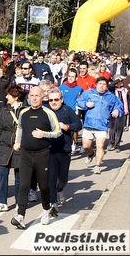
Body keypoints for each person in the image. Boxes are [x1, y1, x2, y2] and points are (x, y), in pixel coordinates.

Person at [11, 86, 62, 229]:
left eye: (37, 96)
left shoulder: (48, 113)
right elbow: (20, 128)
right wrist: (18, 141)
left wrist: (43, 134)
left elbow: (57, 132)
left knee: (43, 186)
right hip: (26, 154)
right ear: (28, 97)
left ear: (42, 97)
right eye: (32, 95)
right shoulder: (24, 113)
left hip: (42, 154)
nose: (34, 98)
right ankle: (20, 215)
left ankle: (46, 209)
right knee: (24, 185)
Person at [47, 88, 82, 217]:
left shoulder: (68, 110)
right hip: (49, 150)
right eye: (51, 100)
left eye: (56, 99)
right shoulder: (46, 111)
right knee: (51, 177)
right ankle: (53, 202)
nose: (53, 102)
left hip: (64, 150)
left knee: (63, 178)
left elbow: (78, 125)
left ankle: (60, 189)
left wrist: (67, 127)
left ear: (61, 100)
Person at [77, 77, 123, 175]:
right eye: (100, 83)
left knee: (100, 145)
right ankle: (91, 154)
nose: (102, 86)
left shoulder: (111, 96)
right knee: (86, 146)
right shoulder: (89, 93)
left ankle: (97, 166)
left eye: (104, 84)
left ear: (107, 86)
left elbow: (119, 105)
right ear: (96, 84)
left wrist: (117, 111)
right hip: (89, 123)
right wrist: (86, 104)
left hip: (102, 125)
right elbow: (79, 101)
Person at [0, 85, 26, 212]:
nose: (6, 97)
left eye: (9, 95)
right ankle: (1, 202)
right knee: (2, 174)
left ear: (16, 97)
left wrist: (22, 143)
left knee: (19, 176)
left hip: (19, 146)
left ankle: (19, 202)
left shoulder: (25, 110)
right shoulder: (5, 110)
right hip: (4, 145)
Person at [59, 68, 84, 154]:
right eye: (69, 76)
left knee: (73, 130)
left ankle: (74, 143)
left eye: (72, 77)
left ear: (76, 78)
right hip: (63, 111)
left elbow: (81, 99)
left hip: (74, 112)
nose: (70, 78)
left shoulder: (79, 89)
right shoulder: (62, 87)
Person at [106, 75, 129, 153]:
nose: (121, 83)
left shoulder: (124, 90)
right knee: (112, 128)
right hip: (113, 111)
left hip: (122, 111)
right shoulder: (112, 90)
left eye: (122, 82)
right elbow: (110, 85)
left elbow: (127, 100)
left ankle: (117, 145)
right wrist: (117, 80)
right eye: (120, 82)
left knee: (120, 128)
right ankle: (111, 142)